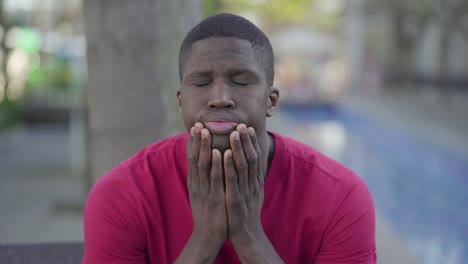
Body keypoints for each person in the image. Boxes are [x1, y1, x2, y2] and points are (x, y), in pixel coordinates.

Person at [82, 13, 376, 264]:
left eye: (241, 80)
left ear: (271, 101)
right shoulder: (122, 195)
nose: (220, 98)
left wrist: (248, 237)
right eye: (202, 82)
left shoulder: (340, 197)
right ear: (180, 101)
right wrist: (204, 241)